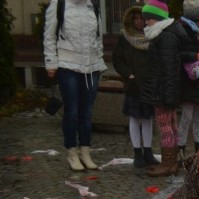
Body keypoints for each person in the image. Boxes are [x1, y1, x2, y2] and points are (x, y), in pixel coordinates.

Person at [42, 0, 107, 171]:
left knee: (87, 113)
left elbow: (98, 36)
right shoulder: (59, 5)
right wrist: (50, 62)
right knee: (72, 111)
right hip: (68, 64)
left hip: (91, 66)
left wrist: (99, 60)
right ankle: (71, 152)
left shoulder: (92, 5)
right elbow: (49, 36)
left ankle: (85, 151)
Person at [140, 0, 189, 177]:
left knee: (165, 126)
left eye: (149, 19)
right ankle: (171, 162)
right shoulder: (167, 33)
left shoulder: (165, 36)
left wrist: (168, 94)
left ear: (157, 18)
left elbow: (169, 68)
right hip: (166, 89)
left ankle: (168, 163)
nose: (146, 22)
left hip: (163, 89)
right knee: (171, 124)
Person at [112, 4, 158, 169]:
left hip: (149, 84)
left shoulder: (152, 36)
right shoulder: (125, 37)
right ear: (131, 20)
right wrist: (128, 74)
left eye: (142, 18)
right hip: (133, 84)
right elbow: (117, 59)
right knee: (134, 118)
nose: (139, 21)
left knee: (148, 118)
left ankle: (148, 151)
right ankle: (137, 152)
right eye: (136, 18)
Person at [176, 0, 199, 159]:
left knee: (198, 117)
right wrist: (195, 56)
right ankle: (181, 151)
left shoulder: (198, 32)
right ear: (194, 18)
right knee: (186, 117)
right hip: (188, 82)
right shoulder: (183, 31)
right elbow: (177, 55)